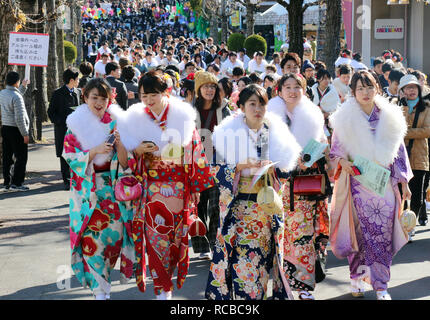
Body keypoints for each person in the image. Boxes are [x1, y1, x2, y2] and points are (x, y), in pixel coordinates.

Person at [112, 71, 215, 299]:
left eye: (153, 95)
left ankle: (166, 288)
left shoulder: (182, 116)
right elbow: (126, 161)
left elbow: (195, 151)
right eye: (143, 96)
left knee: (175, 241)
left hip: (178, 190)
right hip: (151, 191)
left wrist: (196, 187)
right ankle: (162, 292)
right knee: (156, 240)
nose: (148, 101)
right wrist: (137, 150)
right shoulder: (135, 118)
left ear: (165, 93)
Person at [205, 84, 302, 300]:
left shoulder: (276, 133)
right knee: (243, 268)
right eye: (252, 104)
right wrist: (238, 166)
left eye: (262, 104)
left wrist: (274, 168)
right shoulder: (226, 134)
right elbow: (213, 170)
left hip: (265, 212)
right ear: (240, 106)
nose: (257, 109)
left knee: (263, 267)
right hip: (239, 212)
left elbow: (286, 171)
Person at [329, 70, 412, 300]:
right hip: (357, 184)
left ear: (377, 88)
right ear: (353, 92)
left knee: (381, 235)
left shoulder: (390, 116)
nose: (365, 93)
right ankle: (356, 277)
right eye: (360, 89)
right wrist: (342, 161)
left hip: (384, 185)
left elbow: (399, 153)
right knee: (358, 233)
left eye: (369, 87)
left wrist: (403, 182)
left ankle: (381, 285)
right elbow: (335, 152)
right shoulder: (344, 119)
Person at [62, 78, 135, 300]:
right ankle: (100, 293)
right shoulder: (75, 124)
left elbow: (125, 163)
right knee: (91, 246)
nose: (99, 102)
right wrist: (93, 151)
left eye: (103, 98)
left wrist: (121, 144)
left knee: (111, 244)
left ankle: (104, 288)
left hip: (111, 192)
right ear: (85, 97)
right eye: (94, 97)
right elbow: (69, 156)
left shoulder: (115, 122)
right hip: (88, 193)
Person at [267, 73, 330, 300]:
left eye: (297, 87)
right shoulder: (270, 116)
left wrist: (311, 156)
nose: (292, 91)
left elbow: (323, 143)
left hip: (305, 185)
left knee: (304, 236)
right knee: (280, 235)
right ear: (279, 91)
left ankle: (303, 287)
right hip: (280, 184)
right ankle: (281, 286)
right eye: (287, 87)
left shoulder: (313, 115)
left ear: (304, 90)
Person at [191, 71, 232, 260]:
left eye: (213, 86)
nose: (210, 90)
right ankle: (201, 247)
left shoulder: (224, 108)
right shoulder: (190, 110)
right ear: (198, 89)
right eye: (206, 86)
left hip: (219, 161)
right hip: (196, 162)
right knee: (198, 205)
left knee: (215, 205)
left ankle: (215, 242)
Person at [398, 74, 430, 227]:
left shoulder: (427, 107)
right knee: (400, 192)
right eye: (408, 87)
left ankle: (411, 224)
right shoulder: (398, 106)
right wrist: (403, 107)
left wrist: (406, 133)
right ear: (402, 90)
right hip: (400, 157)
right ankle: (402, 224)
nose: (411, 90)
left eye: (414, 87)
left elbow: (427, 131)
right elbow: (395, 128)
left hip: (419, 155)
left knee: (418, 194)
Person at [48, 68, 81, 190]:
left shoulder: (78, 92)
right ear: (71, 80)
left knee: (76, 153)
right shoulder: (58, 93)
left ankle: (75, 178)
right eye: (77, 79)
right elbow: (51, 112)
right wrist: (61, 121)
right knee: (64, 154)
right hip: (62, 128)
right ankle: (66, 180)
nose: (78, 81)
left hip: (76, 130)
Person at [0, 71, 30, 191]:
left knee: (7, 157)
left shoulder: (2, 93)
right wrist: (25, 134)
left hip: (6, 128)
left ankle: (7, 183)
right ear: (17, 82)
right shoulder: (16, 97)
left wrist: (23, 86)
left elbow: (16, 95)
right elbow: (19, 118)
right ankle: (17, 183)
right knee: (21, 157)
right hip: (17, 130)